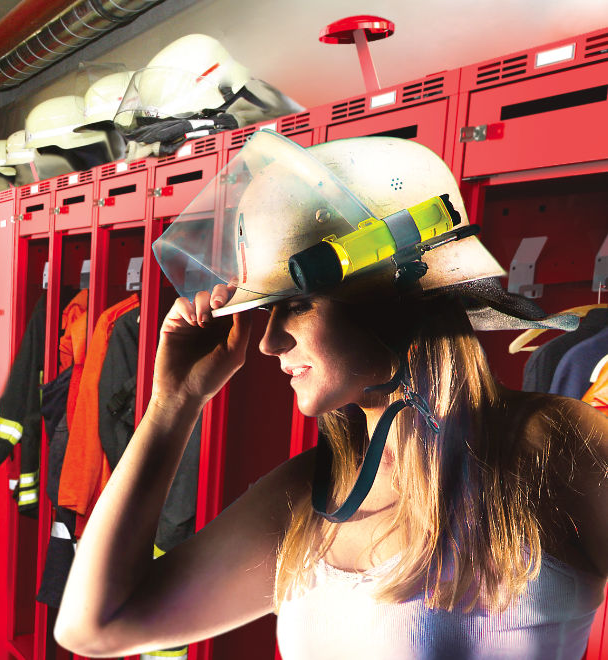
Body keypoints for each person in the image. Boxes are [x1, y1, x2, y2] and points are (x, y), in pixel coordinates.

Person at [53, 131, 608, 659]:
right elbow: (97, 627)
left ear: (393, 298)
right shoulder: (309, 492)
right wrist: (173, 404)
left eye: (294, 304)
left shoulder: (555, 445)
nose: (268, 342)